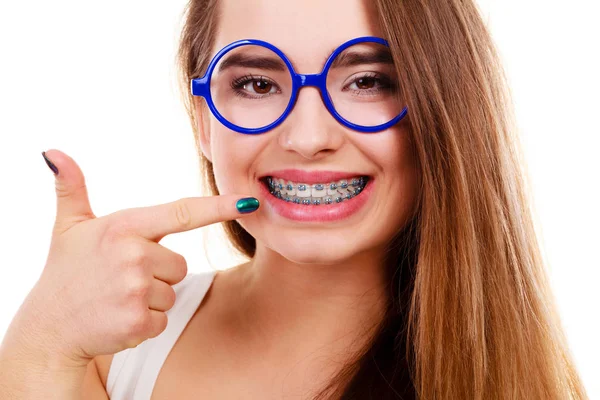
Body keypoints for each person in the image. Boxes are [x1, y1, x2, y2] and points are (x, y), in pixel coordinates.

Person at [0, 0, 588, 399]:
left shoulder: (514, 374)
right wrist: (38, 346)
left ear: (446, 111)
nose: (308, 139)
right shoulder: (107, 353)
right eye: (257, 84)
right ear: (203, 118)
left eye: (368, 81)